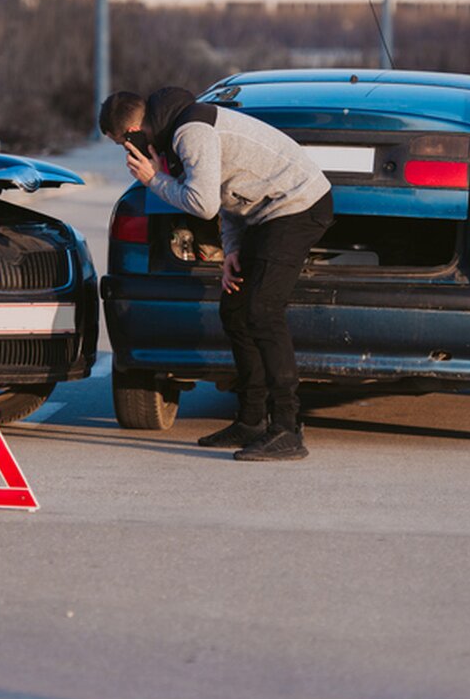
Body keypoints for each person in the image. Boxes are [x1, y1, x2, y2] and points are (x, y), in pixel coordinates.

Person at [98, 87, 332, 461]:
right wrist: (233, 249)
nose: (129, 153)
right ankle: (252, 420)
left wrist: (153, 180)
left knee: (262, 310)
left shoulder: (190, 133)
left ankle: (287, 429)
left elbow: (203, 204)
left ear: (133, 132)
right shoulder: (176, 131)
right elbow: (227, 196)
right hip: (264, 213)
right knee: (235, 309)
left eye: (122, 145)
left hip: (298, 204)